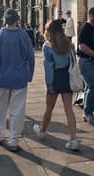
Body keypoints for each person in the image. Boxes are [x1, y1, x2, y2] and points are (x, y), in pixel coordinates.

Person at [0, 9, 35, 152]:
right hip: (20, 78)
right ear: (17, 20)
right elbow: (30, 57)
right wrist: (30, 75)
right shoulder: (23, 35)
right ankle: (13, 140)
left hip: (2, 78)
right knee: (17, 110)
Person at [33, 20, 79, 150]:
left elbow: (49, 67)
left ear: (49, 31)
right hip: (67, 76)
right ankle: (74, 139)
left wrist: (49, 85)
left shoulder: (47, 46)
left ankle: (42, 131)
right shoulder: (69, 44)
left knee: (49, 108)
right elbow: (73, 61)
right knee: (69, 109)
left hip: (55, 77)